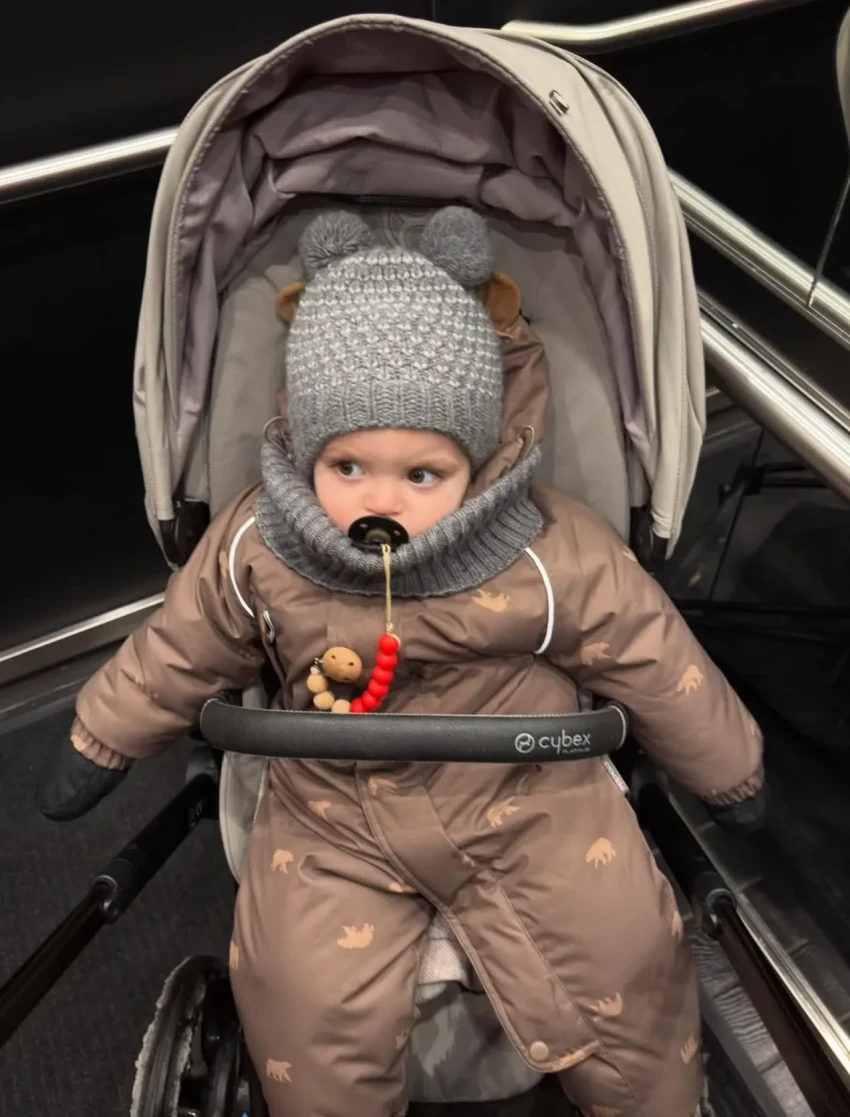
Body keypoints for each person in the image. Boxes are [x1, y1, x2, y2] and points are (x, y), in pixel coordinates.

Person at [40, 207, 766, 1117]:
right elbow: (177, 645)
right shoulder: (258, 546)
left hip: (528, 795)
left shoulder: (547, 546)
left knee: (626, 948)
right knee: (300, 993)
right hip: (330, 805)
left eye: (420, 475)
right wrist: (100, 736)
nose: (377, 499)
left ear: (475, 458)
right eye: (347, 466)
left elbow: (652, 650)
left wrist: (729, 768)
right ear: (307, 446)